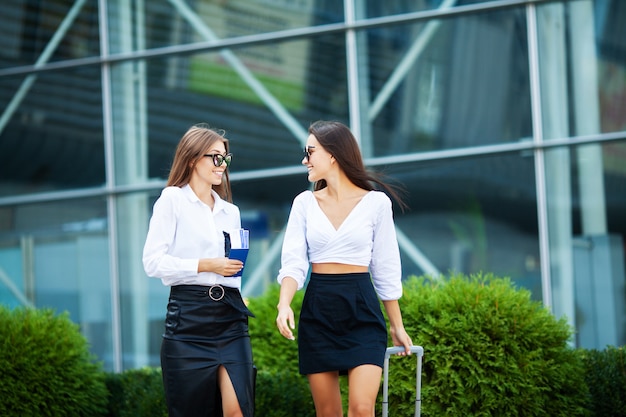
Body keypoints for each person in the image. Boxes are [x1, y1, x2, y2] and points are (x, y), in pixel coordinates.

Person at [275, 120, 413, 417]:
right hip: (319, 309)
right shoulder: (304, 203)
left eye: (310, 151)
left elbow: (385, 268)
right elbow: (294, 262)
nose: (304, 159)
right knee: (329, 414)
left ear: (333, 154)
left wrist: (397, 326)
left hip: (361, 308)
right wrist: (284, 303)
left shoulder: (376, 203)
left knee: (362, 410)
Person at [143, 124, 255, 417]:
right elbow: (152, 262)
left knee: (238, 411)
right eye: (216, 157)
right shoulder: (172, 200)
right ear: (193, 159)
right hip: (188, 320)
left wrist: (237, 292)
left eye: (226, 158)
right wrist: (206, 264)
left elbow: (232, 268)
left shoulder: (231, 211)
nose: (223, 165)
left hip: (231, 319)